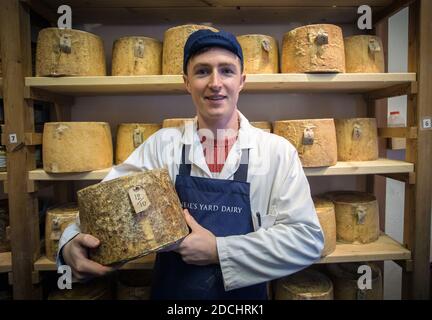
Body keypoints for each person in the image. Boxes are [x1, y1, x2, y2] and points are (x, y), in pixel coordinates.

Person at [58, 29, 324, 300]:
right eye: (202, 71)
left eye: (227, 71)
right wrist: (69, 243)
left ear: (242, 81)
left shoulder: (276, 153)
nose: (215, 83)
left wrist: (219, 251)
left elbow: (307, 241)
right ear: (187, 82)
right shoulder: (162, 146)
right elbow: (105, 204)